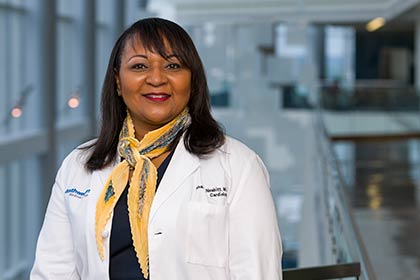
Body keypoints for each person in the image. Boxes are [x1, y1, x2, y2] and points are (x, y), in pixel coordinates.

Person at [31, 17, 282, 280]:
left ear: (192, 80)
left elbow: (258, 273)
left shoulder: (239, 166)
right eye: (139, 66)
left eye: (173, 65)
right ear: (118, 81)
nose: (156, 78)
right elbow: (52, 272)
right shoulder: (79, 165)